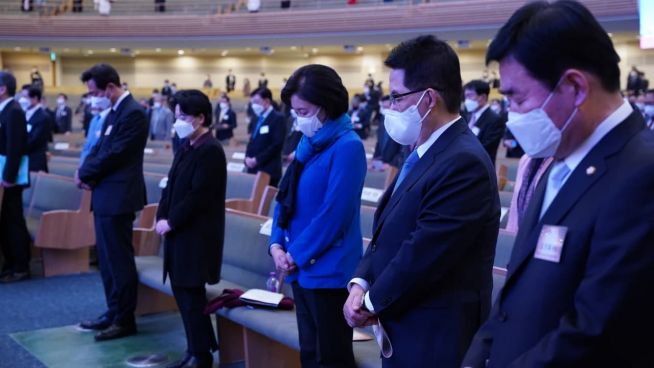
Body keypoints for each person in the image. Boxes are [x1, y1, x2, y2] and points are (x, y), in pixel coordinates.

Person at [463, 1, 654, 367]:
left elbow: (597, 331)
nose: (512, 115)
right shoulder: (560, 158)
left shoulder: (642, 175)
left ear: (574, 87)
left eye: (517, 98)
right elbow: (513, 297)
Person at [343, 35, 499, 367]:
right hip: (404, 324)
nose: (391, 108)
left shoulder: (463, 161)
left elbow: (425, 252)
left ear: (428, 99)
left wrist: (370, 303)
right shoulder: (422, 151)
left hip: (435, 337)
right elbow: (388, 233)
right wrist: (361, 282)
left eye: (397, 98)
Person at [271, 64, 366, 368]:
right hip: (299, 268)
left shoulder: (348, 147)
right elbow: (285, 195)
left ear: (325, 106)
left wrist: (294, 254)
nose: (298, 118)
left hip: (328, 272)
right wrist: (276, 244)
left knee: (332, 358)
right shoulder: (306, 143)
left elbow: (333, 215)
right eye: (294, 110)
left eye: (303, 110)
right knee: (310, 354)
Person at [76, 64, 149, 342]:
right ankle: (113, 310)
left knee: (119, 261)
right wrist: (85, 171)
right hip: (105, 195)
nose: (92, 97)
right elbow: (100, 148)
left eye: (94, 92)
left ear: (110, 88)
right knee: (106, 261)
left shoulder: (133, 113)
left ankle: (124, 319)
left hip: (119, 197)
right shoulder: (114, 112)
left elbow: (116, 153)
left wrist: (85, 172)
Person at [155, 90, 227, 368]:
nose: (178, 122)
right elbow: (170, 185)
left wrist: (171, 221)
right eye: (176, 117)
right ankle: (196, 349)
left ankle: (201, 356)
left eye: (183, 116)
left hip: (195, 237)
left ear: (200, 118)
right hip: (179, 234)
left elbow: (199, 196)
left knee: (191, 296)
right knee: (184, 297)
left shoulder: (210, 150)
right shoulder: (187, 145)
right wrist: (161, 214)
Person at [0, 71, 31, 283]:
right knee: (5, 222)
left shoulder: (14, 111)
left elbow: (15, 148)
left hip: (10, 177)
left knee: (13, 221)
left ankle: (20, 266)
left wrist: (8, 177)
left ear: (3, 89)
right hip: (3, 174)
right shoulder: (5, 110)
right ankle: (9, 264)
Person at [244, 87, 285, 187]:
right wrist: (247, 158)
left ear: (267, 101)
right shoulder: (256, 117)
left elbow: (277, 145)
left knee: (264, 202)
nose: (254, 106)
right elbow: (252, 140)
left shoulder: (278, 118)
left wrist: (257, 160)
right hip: (253, 169)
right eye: (252, 102)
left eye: (256, 102)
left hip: (268, 170)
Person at [463, 79, 506, 164]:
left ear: (483, 97)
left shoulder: (495, 119)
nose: (467, 100)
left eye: (470, 96)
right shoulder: (468, 116)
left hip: (482, 168)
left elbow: (485, 148)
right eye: (465, 96)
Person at [20, 86, 50, 172]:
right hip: (23, 159)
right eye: (21, 96)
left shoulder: (43, 117)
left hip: (35, 162)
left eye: (25, 97)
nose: (22, 100)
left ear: (35, 98)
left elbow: (33, 140)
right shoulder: (23, 113)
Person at [80, 95, 111, 164]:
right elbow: (88, 145)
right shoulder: (94, 119)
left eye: (97, 94)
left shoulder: (111, 119)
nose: (93, 98)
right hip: (88, 164)